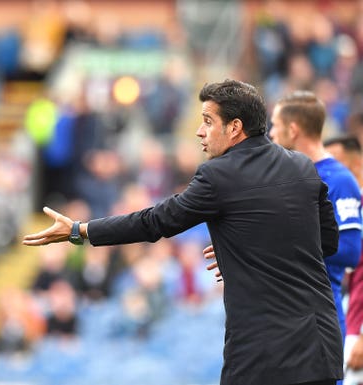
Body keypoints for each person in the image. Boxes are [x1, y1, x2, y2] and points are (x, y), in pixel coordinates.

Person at [23, 79, 343, 385]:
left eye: (207, 121)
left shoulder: (218, 175)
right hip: (321, 346)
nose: (199, 130)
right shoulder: (302, 166)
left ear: (234, 128)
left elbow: (155, 222)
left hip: (263, 354)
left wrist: (80, 230)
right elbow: (327, 243)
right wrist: (247, 249)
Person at [268, 91, 362, 340]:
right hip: (280, 313)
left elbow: (351, 251)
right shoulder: (280, 177)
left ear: (293, 129)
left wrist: (283, 248)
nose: (271, 134)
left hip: (319, 315)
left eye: (275, 126)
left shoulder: (339, 179)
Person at [325, 136, 363, 385]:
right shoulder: (334, 213)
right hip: (345, 322)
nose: (331, 174)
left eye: (336, 163)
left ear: (357, 164)